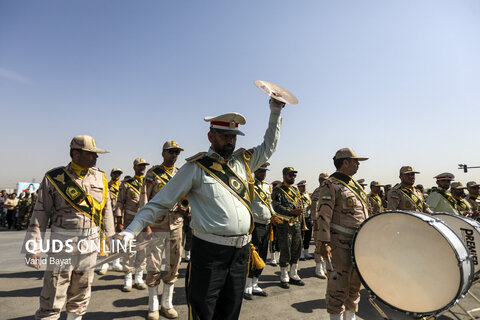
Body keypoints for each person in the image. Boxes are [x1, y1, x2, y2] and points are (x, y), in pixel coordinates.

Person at [117, 98, 283, 320]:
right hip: (210, 253)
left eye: (233, 137)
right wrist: (132, 229)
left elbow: (269, 145)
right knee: (204, 312)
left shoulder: (243, 163)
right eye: (225, 136)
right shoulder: (195, 168)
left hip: (241, 252)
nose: (230, 142)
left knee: (230, 312)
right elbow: (161, 202)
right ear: (210, 136)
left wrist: (275, 112)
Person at [23, 135, 115, 320]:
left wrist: (111, 238)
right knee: (54, 290)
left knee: (82, 289)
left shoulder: (101, 177)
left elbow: (106, 211)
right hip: (62, 244)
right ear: (76, 153)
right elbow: (40, 214)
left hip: (90, 244)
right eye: (91, 154)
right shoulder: (54, 178)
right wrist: (33, 248)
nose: (96, 158)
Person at [317, 147, 369, 320]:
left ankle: (350, 317)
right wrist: (324, 243)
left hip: (358, 243)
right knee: (338, 287)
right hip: (339, 244)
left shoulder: (355, 186)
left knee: (354, 286)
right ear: (345, 162)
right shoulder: (330, 184)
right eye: (355, 161)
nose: (358, 164)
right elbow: (323, 215)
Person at [139, 140, 187, 320]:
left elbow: (187, 195)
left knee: (174, 264)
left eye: (176, 152)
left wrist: (186, 208)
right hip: (156, 226)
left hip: (176, 224)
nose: (174, 155)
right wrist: (147, 225)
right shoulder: (152, 174)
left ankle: (167, 303)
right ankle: (153, 305)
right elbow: (144, 199)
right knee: (153, 264)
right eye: (171, 152)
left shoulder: (181, 173)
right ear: (163, 153)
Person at [115, 157, 150, 291]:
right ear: (134, 167)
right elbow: (120, 203)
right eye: (140, 166)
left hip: (144, 221)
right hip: (129, 220)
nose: (142, 168)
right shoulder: (126, 183)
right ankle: (128, 278)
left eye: (144, 166)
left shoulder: (149, 182)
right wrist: (119, 222)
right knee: (128, 249)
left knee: (142, 249)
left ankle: (139, 277)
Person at [271, 167, 305, 289]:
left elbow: (298, 203)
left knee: (297, 247)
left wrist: (300, 211)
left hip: (295, 223)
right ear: (284, 176)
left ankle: (293, 273)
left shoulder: (295, 190)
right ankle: (284, 275)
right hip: (284, 223)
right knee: (285, 248)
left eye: (294, 176)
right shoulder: (278, 190)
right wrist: (291, 211)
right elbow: (275, 206)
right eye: (290, 175)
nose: (293, 178)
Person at [244, 163, 273, 300]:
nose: (263, 173)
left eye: (264, 171)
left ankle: (256, 283)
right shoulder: (249, 185)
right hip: (256, 225)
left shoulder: (267, 187)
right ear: (255, 171)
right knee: (252, 255)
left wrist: (275, 216)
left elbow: (270, 204)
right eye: (260, 171)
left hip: (267, 225)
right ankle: (247, 285)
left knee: (262, 254)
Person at [97, 168, 124, 275]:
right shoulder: (106, 185)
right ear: (111, 174)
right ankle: (105, 262)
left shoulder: (122, 186)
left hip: (119, 215)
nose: (117, 175)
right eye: (115, 173)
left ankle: (116, 261)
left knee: (118, 239)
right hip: (108, 215)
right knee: (104, 239)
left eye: (119, 173)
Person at [311, 172, 329, 279]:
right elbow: (314, 208)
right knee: (318, 245)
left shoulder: (328, 191)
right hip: (319, 223)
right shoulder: (317, 192)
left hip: (327, 223)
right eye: (325, 180)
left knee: (326, 245)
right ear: (321, 180)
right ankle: (318, 268)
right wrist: (316, 222)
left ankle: (324, 267)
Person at [297, 180, 313, 261]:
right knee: (301, 236)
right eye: (302, 186)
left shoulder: (307, 194)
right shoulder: (297, 195)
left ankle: (306, 251)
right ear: (298, 187)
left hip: (308, 217)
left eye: (304, 186)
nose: (304, 188)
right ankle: (301, 253)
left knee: (308, 236)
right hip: (300, 218)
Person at [268, 180, 282, 266]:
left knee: (280, 239)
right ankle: (273, 258)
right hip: (273, 220)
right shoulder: (271, 196)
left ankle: (278, 256)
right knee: (273, 239)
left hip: (281, 219)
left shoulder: (281, 195)